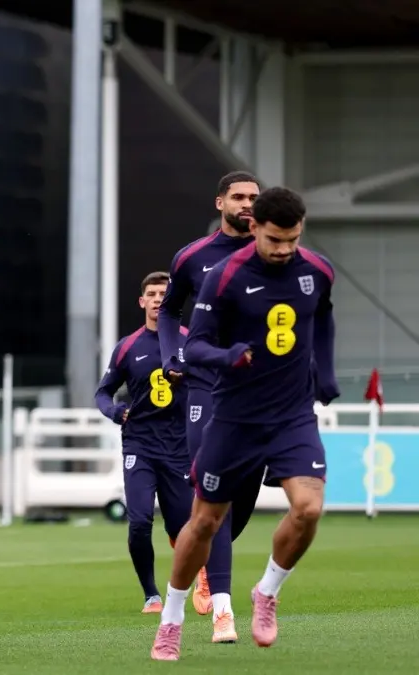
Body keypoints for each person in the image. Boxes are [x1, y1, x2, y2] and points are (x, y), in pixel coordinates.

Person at [151, 186, 339, 661]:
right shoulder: (224, 276)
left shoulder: (316, 271)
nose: (283, 250)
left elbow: (324, 319)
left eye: (292, 240)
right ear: (255, 228)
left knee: (309, 508)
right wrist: (228, 356)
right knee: (206, 522)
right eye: (275, 239)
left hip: (292, 414)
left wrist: (327, 372)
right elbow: (194, 347)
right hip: (233, 415)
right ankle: (171, 620)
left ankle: (267, 592)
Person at [158, 171, 262, 640]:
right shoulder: (192, 257)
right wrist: (169, 355)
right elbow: (167, 311)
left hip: (261, 391)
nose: (246, 204)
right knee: (213, 489)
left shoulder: (273, 253)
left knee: (240, 499)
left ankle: (201, 555)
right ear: (220, 201)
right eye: (238, 196)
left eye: (253, 198)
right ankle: (224, 609)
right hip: (205, 387)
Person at [93, 272, 191, 614]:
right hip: (140, 446)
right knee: (139, 521)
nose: (157, 298)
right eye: (151, 293)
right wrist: (115, 411)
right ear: (142, 301)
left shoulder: (189, 342)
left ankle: (190, 578)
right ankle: (151, 594)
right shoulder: (128, 347)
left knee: (183, 528)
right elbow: (102, 392)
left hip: (180, 447)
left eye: (164, 293)